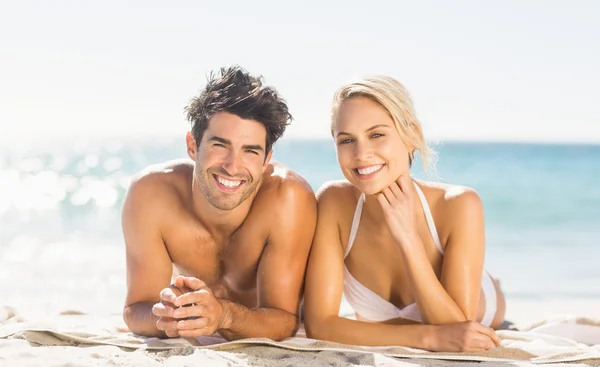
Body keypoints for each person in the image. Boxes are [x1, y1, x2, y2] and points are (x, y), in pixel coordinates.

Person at [303, 75, 507, 352]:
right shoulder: (333, 202)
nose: (361, 153)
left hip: (484, 299)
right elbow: (321, 325)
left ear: (412, 136)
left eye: (376, 134)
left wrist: (408, 239)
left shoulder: (459, 203)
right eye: (347, 140)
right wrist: (428, 338)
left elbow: (459, 328)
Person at [121, 65, 317, 341]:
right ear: (192, 146)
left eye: (250, 151)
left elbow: (285, 320)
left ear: (266, 159)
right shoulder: (151, 194)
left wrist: (224, 315)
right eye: (220, 145)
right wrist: (168, 318)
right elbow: (135, 309)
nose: (232, 166)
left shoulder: (287, 198)